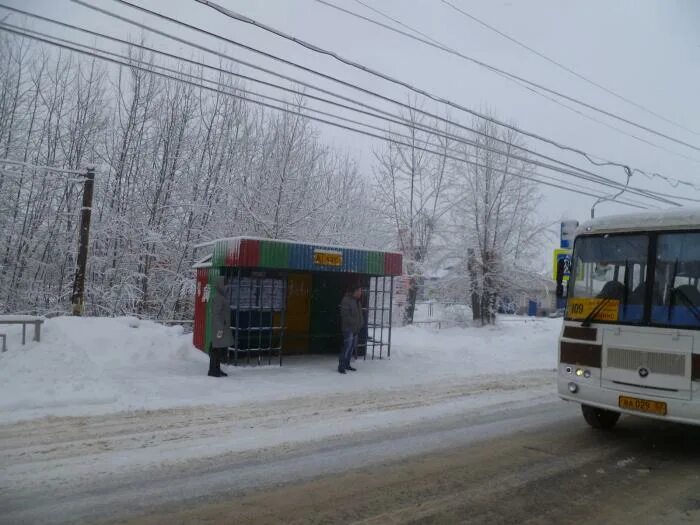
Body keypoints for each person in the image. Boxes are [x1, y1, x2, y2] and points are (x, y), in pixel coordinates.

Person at [209, 274, 233, 377]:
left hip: (222, 327)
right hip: (219, 328)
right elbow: (216, 313)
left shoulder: (221, 297)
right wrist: (220, 328)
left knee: (218, 349)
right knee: (216, 350)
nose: (227, 286)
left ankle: (217, 369)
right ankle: (213, 371)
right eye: (225, 284)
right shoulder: (218, 298)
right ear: (220, 285)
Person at [338, 285, 363, 374]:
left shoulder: (357, 301)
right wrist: (354, 324)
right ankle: (341, 366)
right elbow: (345, 316)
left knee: (352, 347)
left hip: (355, 329)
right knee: (347, 347)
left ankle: (347, 364)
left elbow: (360, 315)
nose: (361, 293)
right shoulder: (346, 300)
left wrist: (360, 323)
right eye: (359, 291)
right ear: (354, 291)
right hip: (348, 328)